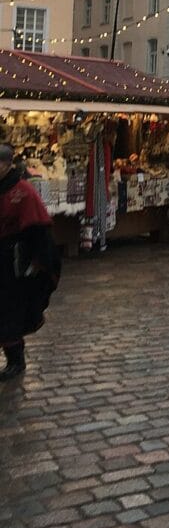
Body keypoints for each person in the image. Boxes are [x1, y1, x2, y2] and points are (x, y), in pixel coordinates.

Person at [0, 144, 60, 381]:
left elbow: (38, 229)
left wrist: (38, 262)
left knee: (9, 310)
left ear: (8, 165)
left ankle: (16, 359)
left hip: (12, 261)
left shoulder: (23, 191)